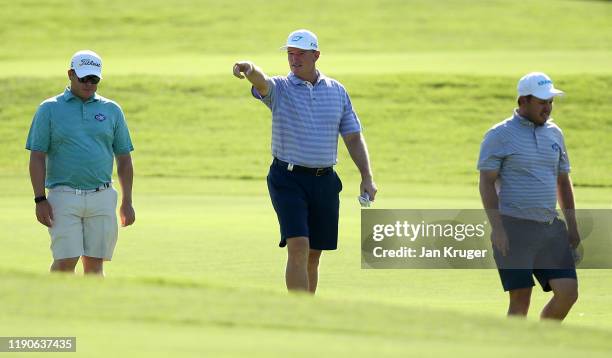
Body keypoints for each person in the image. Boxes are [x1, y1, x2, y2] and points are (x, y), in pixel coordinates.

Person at [232, 29, 377, 293]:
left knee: (313, 254)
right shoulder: (280, 88)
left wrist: (366, 176)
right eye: (290, 54)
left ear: (316, 55)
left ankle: (306, 310)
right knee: (298, 245)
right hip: (287, 178)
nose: (294, 59)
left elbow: (353, 137)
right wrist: (249, 68)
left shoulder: (337, 91)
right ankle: (296, 313)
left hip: (325, 180)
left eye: (300, 53)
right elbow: (261, 81)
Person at [478, 72, 580, 320]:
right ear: (523, 101)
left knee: (568, 292)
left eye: (550, 102)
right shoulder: (499, 135)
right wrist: (497, 228)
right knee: (521, 298)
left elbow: (563, 181)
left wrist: (572, 226)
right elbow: (486, 183)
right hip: (513, 228)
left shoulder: (555, 133)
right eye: (542, 102)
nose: (548, 107)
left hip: (549, 227)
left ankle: (539, 343)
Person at [26, 50, 135, 276]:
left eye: (94, 79)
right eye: (83, 78)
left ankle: (90, 310)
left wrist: (127, 201)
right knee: (65, 262)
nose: (89, 84)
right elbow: (37, 156)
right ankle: (55, 308)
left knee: (95, 266)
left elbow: (124, 158)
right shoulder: (49, 108)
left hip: (102, 195)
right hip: (63, 196)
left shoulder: (111, 110)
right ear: (70, 74)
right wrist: (39, 199)